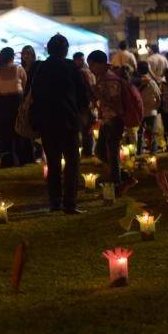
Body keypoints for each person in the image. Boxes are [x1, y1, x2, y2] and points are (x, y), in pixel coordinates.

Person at [31, 34, 89, 213]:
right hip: (67, 120)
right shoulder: (70, 67)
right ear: (65, 49)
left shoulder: (41, 67)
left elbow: (34, 93)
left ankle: (55, 201)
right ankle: (70, 203)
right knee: (72, 162)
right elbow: (82, 94)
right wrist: (82, 112)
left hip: (47, 122)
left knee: (54, 163)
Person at [87, 50, 131, 193]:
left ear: (100, 64)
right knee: (100, 151)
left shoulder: (110, 79)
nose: (90, 69)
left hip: (114, 120)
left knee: (112, 153)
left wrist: (98, 95)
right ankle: (124, 177)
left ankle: (117, 184)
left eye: (92, 65)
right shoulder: (103, 77)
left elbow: (116, 104)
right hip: (107, 120)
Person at [0, 47, 26, 167]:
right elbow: (26, 85)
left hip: (4, 101)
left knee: (5, 130)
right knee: (19, 129)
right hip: (17, 100)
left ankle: (6, 156)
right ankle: (21, 156)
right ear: (12, 56)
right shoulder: (19, 69)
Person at [19, 45, 41, 164]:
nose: (26, 56)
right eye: (24, 53)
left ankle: (37, 152)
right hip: (24, 100)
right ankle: (29, 154)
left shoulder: (37, 67)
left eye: (29, 53)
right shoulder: (21, 68)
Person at [73, 51, 96, 157]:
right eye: (80, 59)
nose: (82, 61)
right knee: (86, 128)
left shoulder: (83, 72)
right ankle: (88, 150)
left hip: (84, 103)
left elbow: (90, 87)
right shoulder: (83, 71)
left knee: (86, 128)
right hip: (84, 103)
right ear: (75, 60)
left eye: (83, 59)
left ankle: (87, 150)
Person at [135, 61, 161, 155]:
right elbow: (158, 96)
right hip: (151, 111)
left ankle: (139, 151)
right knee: (152, 132)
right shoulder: (152, 82)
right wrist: (156, 107)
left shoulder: (135, 83)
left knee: (140, 132)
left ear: (137, 70)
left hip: (139, 111)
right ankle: (153, 151)